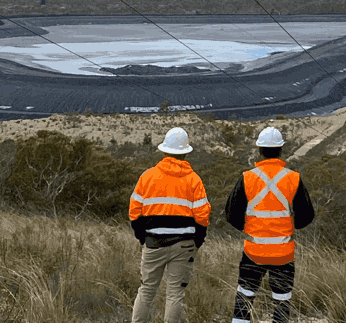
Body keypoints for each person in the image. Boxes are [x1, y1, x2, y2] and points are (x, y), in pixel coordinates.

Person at [225, 127, 315, 323]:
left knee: (245, 298)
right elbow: (306, 216)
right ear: (281, 150)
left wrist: (250, 228)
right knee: (281, 302)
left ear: (259, 150)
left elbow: (231, 214)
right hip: (283, 251)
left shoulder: (247, 178)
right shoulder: (293, 178)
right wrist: (290, 226)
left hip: (253, 251)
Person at [129, 127, 211, 323]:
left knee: (147, 290)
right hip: (183, 245)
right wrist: (197, 241)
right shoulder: (194, 180)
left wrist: (143, 237)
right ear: (185, 152)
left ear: (164, 151)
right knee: (175, 294)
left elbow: (134, 212)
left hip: (153, 243)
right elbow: (202, 216)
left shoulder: (147, 177)